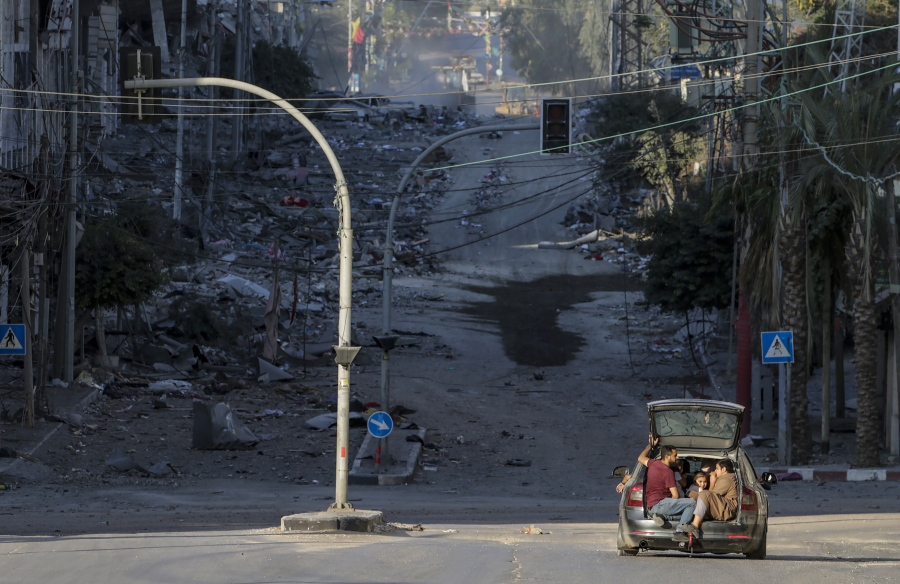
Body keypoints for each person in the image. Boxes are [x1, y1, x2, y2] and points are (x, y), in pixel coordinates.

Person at [634, 435, 696, 534]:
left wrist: (650, 446)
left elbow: (640, 458)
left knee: (689, 515)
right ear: (667, 456)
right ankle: (680, 531)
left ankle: (661, 516)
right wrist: (676, 505)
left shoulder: (653, 463)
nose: (677, 457)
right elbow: (676, 495)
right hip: (660, 504)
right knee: (692, 503)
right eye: (675, 455)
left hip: (651, 507)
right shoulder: (668, 472)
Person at [678, 459, 739, 539]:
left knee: (704, 494)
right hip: (721, 506)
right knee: (697, 495)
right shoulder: (725, 478)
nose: (715, 471)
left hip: (726, 509)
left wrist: (712, 482)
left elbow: (712, 495)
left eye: (716, 468)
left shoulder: (727, 478)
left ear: (724, 469)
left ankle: (695, 526)